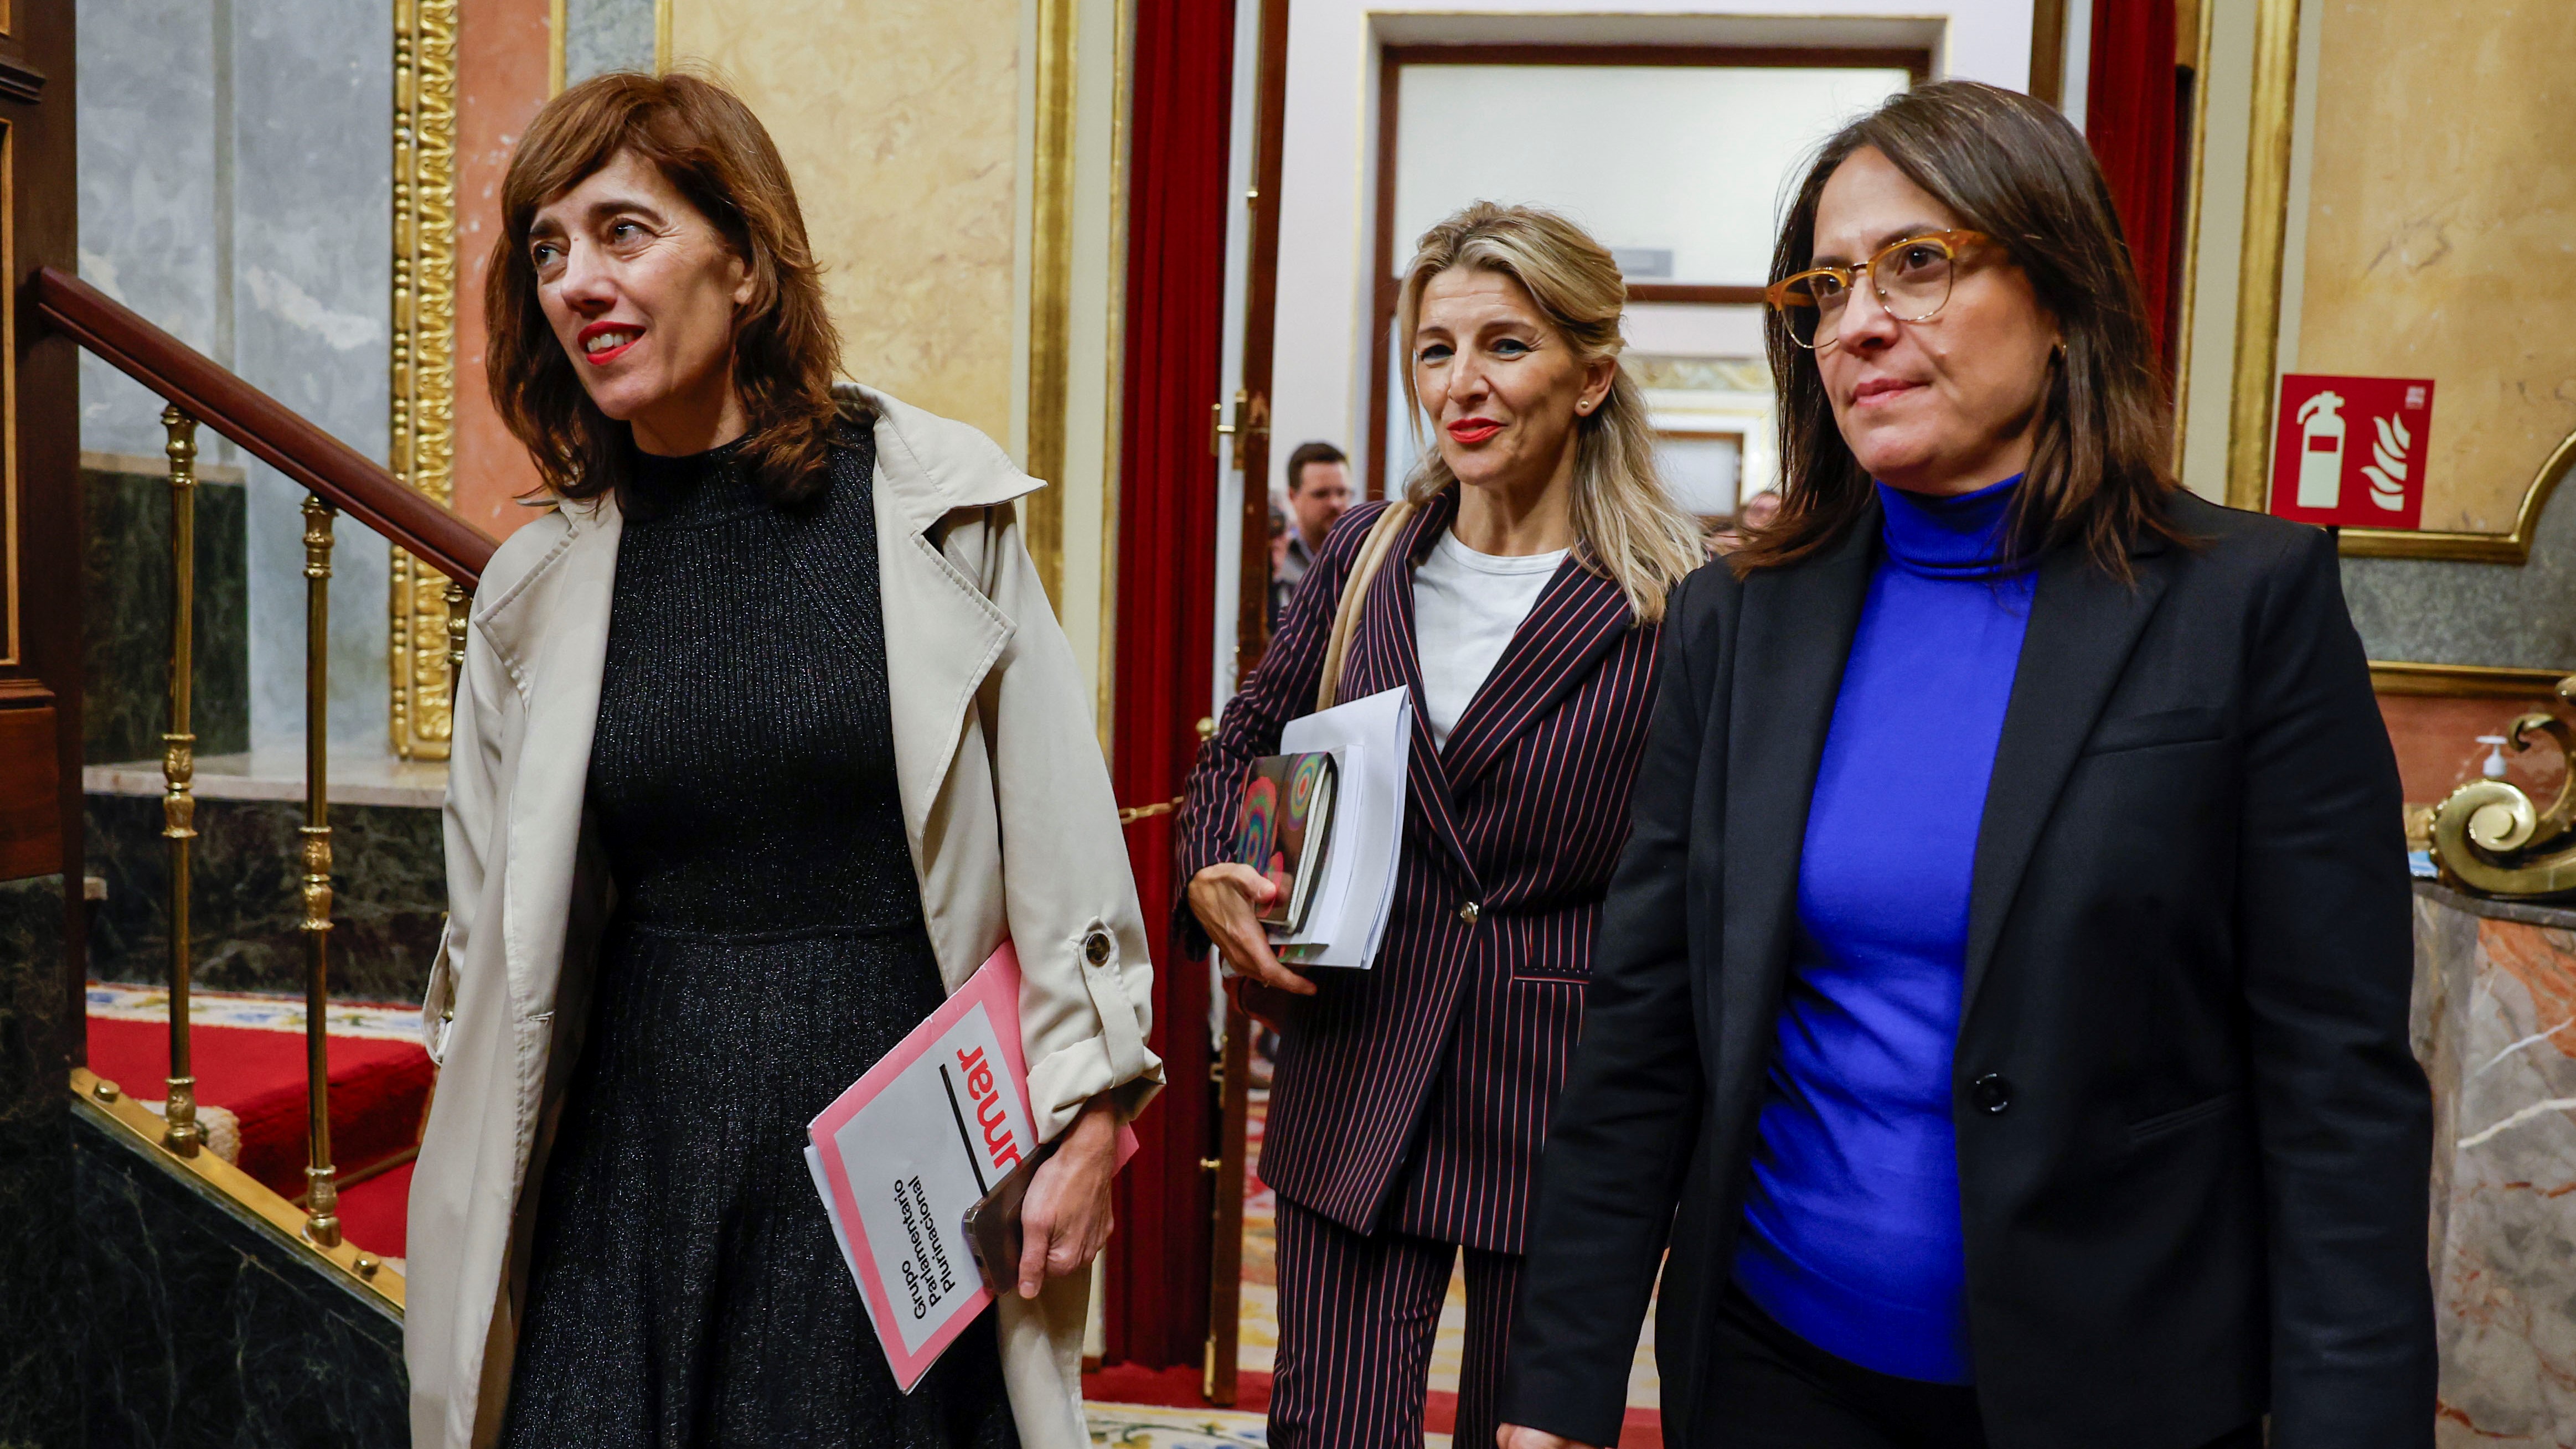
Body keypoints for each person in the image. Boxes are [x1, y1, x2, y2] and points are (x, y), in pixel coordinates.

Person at [1500, 80, 2433, 1449]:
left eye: (1917, 264)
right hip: (1774, 1377)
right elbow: (1643, 1030)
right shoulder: (1737, 618)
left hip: (2113, 1391)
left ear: (2059, 297)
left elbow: (2335, 1089)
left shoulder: (2242, 605)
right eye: (1823, 287)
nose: (1856, 321)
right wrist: (1554, 1393)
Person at [406, 72, 1159, 1449]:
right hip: (634, 1159)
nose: (578, 280)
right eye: (547, 248)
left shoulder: (935, 514)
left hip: (895, 1147)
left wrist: (1094, 1115)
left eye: (623, 231)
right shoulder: (536, 592)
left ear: (746, 261)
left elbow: (1063, 861)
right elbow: (488, 939)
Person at [1178, 202, 1703, 1449]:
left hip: (1559, 1094)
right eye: (1432, 349)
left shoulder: (1682, 600)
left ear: (1590, 374)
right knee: (1329, 1429)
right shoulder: (1367, 552)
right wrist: (1229, 867)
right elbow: (1250, 736)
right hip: (1355, 1056)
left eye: (1505, 346)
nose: (1460, 385)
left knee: (1531, 1434)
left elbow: (1696, 879)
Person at [1274, 439, 1353, 603]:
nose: (1335, 503)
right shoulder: (1279, 562)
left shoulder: (1367, 560)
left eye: (1342, 493)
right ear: (1292, 496)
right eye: (1321, 494)